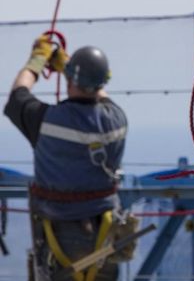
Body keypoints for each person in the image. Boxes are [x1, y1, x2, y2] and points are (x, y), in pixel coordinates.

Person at [4, 35, 128, 281]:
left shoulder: (46, 122)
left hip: (59, 235)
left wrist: (37, 61)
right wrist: (68, 68)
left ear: (71, 80)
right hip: (105, 233)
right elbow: (99, 92)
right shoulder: (117, 120)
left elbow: (18, 94)